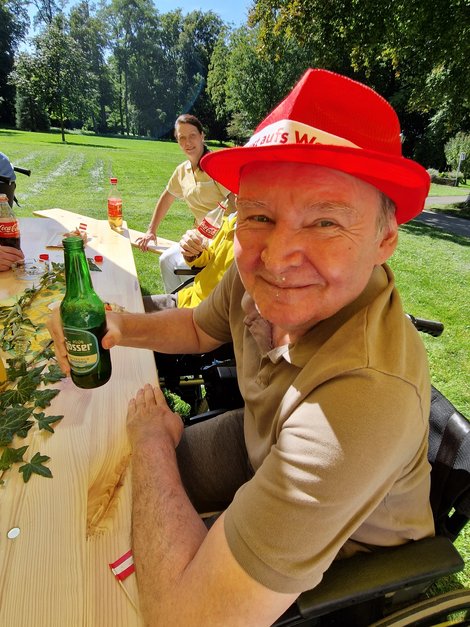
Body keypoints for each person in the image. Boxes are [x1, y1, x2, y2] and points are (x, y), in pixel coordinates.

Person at [49, 69, 434, 626]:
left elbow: (185, 618)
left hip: (348, 579)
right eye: (259, 215)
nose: (276, 258)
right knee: (102, 484)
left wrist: (155, 440)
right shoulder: (256, 274)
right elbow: (200, 329)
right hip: (263, 444)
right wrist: (118, 326)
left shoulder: (362, 400)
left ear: (385, 237)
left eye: (325, 220)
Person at [136, 114, 235, 293]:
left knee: (183, 266)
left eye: (192, 136)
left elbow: (237, 204)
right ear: (177, 141)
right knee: (166, 260)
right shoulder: (182, 171)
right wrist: (151, 230)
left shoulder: (216, 166)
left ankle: (197, 311)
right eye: (182, 138)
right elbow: (167, 197)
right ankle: (179, 307)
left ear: (202, 136)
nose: (187, 142)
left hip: (222, 241)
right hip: (199, 238)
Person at [143, 212, 237, 311]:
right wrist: (194, 254)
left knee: (132, 317)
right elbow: (210, 259)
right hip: (189, 299)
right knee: (131, 306)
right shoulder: (233, 219)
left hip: (206, 313)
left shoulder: (251, 238)